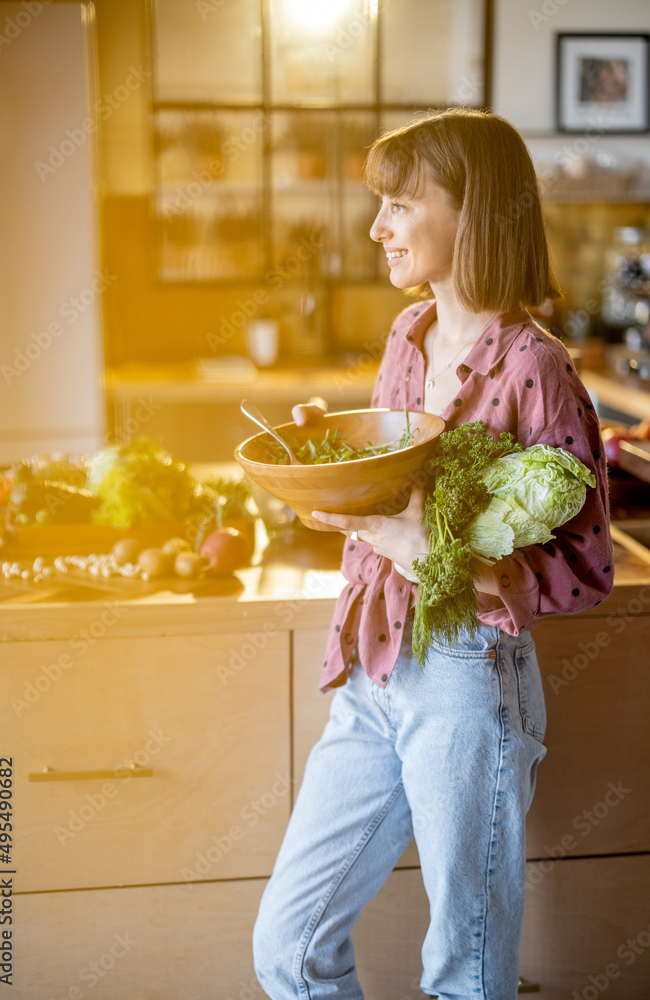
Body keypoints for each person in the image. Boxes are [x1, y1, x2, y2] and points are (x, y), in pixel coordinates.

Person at [252, 109, 614, 1000]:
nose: (376, 227)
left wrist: (439, 556)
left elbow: (586, 567)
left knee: (466, 964)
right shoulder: (407, 338)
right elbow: (391, 496)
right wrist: (329, 468)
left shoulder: (536, 367)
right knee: (288, 948)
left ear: (474, 213)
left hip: (467, 675)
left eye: (401, 204)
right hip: (375, 666)